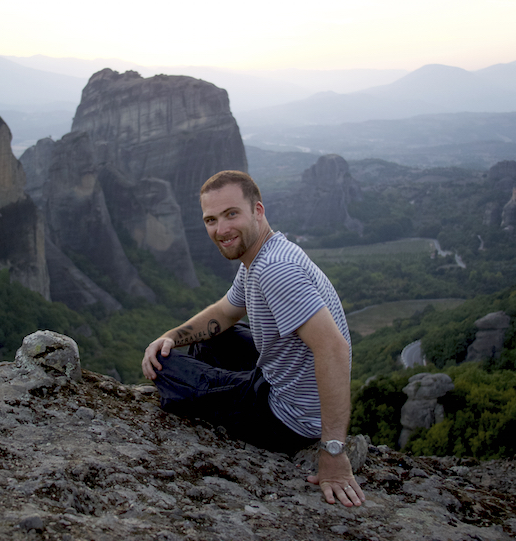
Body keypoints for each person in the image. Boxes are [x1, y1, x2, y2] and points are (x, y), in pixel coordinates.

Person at [142, 170, 365, 507]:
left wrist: (333, 452)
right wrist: (171, 335)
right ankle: (227, 393)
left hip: (289, 417)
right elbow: (225, 313)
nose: (221, 229)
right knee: (207, 340)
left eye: (232, 214)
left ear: (257, 211)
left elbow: (334, 349)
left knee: (166, 367)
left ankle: (222, 404)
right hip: (287, 382)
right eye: (211, 219)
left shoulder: (275, 270)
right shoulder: (260, 256)